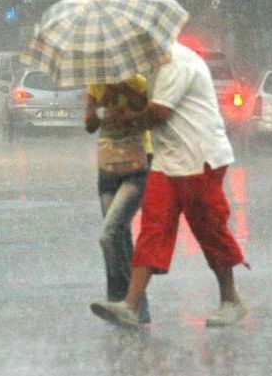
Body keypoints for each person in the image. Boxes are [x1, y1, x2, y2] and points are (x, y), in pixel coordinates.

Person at [90, 40, 247, 328]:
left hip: (200, 157)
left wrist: (130, 119)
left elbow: (156, 113)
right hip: (168, 159)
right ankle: (131, 305)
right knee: (153, 226)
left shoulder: (177, 62)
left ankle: (231, 299)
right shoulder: (153, 67)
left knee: (209, 228)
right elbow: (144, 105)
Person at [84, 75, 152, 325]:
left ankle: (124, 302)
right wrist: (104, 98)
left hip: (137, 165)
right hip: (107, 168)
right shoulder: (96, 84)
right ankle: (134, 306)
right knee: (119, 237)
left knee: (109, 234)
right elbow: (90, 124)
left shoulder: (139, 82)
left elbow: (148, 118)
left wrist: (125, 88)